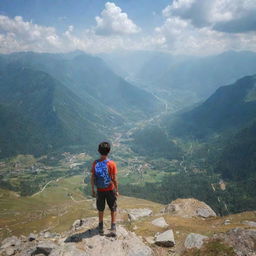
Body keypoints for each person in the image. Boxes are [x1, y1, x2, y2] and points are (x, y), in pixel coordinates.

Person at [90, 141, 119, 235]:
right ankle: (113, 227)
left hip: (100, 190)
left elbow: (93, 177)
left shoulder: (95, 163)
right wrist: (117, 190)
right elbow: (114, 179)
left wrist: (93, 190)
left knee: (101, 208)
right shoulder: (112, 164)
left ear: (99, 151)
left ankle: (101, 226)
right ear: (109, 151)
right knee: (113, 207)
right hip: (110, 189)